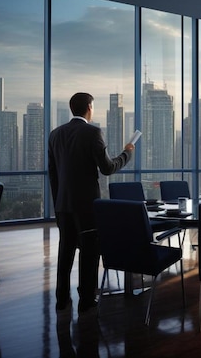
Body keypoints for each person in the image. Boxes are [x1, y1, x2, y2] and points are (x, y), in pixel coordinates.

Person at [48, 92, 134, 312]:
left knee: (65, 251)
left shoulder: (55, 134)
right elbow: (107, 168)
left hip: (63, 205)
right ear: (88, 107)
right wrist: (126, 154)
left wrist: (58, 204)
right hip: (86, 206)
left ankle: (62, 298)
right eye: (93, 107)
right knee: (89, 252)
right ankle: (86, 299)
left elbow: (53, 175)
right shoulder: (93, 132)